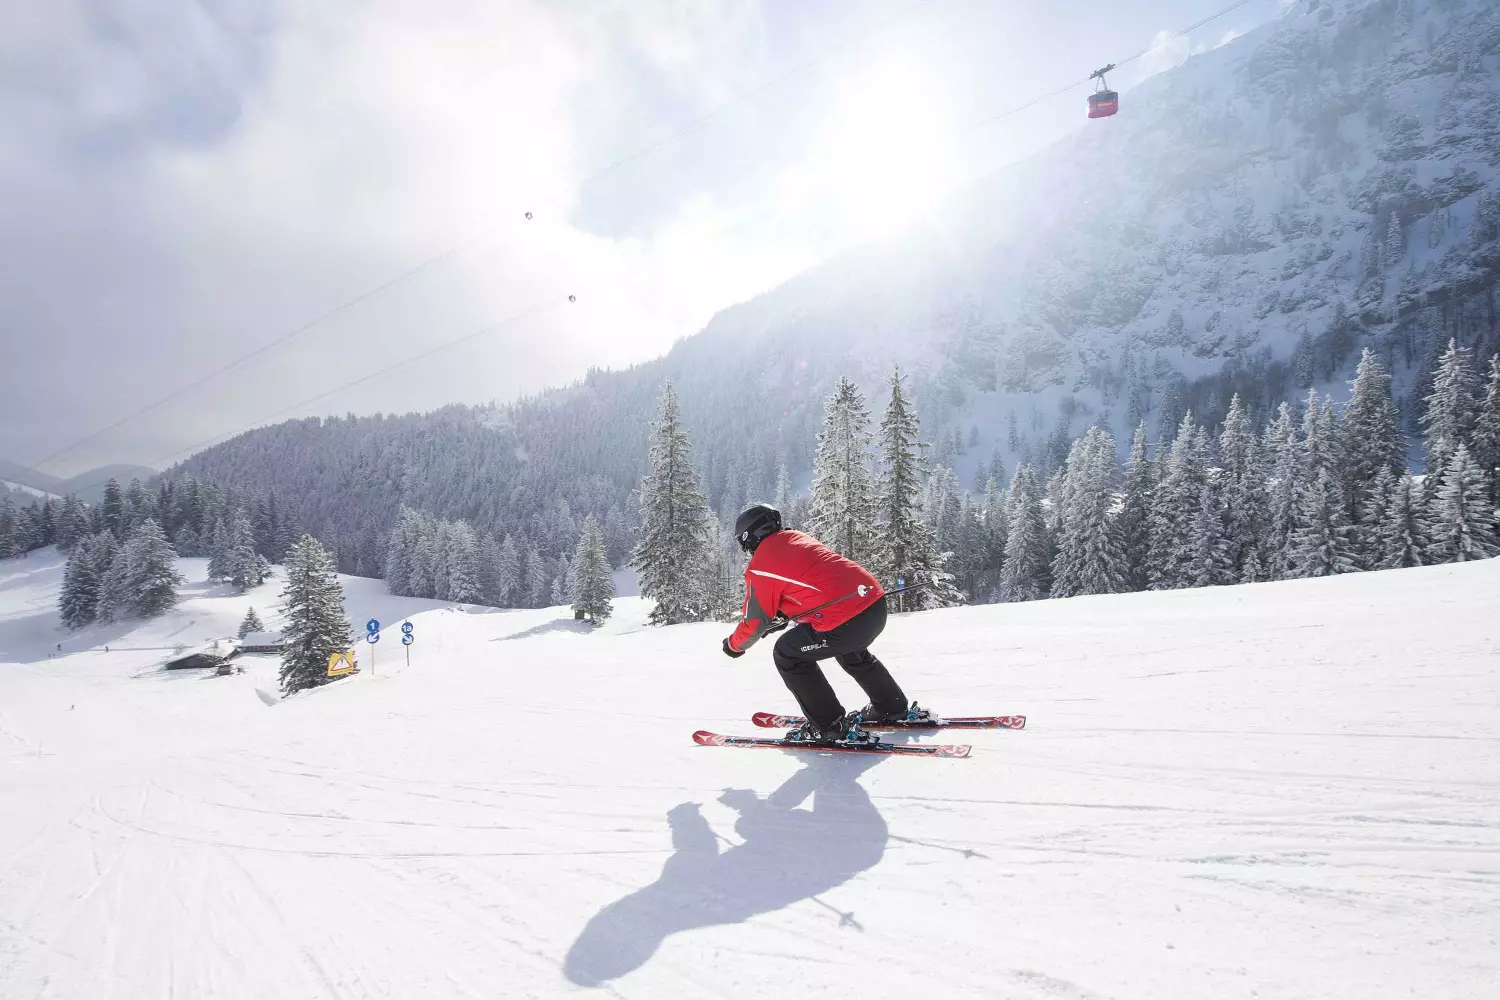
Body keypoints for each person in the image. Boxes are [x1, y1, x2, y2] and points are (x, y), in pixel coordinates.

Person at [721, 503, 926, 743]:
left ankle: (829, 727)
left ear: (749, 536)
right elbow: (816, 584)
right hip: (875, 605)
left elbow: (754, 622)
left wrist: (734, 646)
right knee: (850, 650)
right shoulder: (796, 538)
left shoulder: (761, 566)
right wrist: (785, 613)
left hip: (845, 620)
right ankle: (891, 707)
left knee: (788, 654)